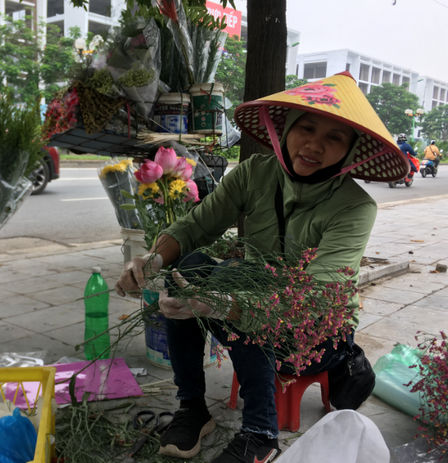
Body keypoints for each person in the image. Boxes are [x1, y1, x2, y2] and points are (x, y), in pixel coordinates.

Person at [115, 71, 409, 463]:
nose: (314, 145)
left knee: (235, 290)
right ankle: (192, 409)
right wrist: (153, 258)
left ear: (351, 151)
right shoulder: (255, 173)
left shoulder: (355, 207)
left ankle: (260, 434)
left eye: (334, 137)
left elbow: (316, 299)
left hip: (314, 332)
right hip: (247, 300)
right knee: (189, 269)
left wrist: (222, 305)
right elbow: (197, 225)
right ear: (284, 128)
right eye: (306, 128)